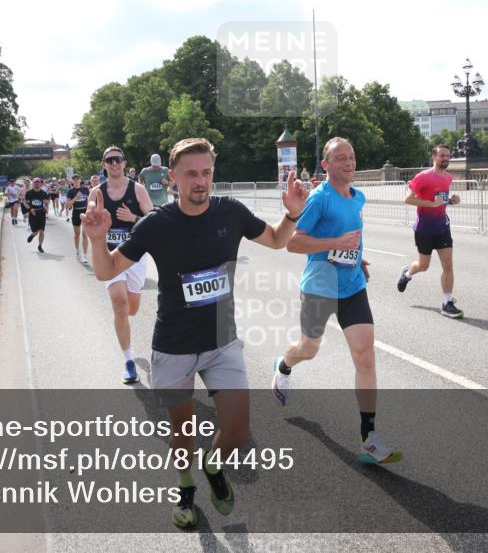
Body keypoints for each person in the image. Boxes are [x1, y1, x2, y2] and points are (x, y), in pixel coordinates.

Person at [83, 137, 307, 529]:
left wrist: (291, 216)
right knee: (182, 433)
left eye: (206, 172)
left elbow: (274, 240)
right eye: (191, 174)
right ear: (173, 178)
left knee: (237, 429)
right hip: (174, 346)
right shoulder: (156, 224)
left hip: (222, 340)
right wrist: (98, 239)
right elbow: (106, 271)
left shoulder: (230, 212)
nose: (200, 181)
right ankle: (185, 488)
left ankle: (213, 464)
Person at [271, 137, 402, 464]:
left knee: (365, 356)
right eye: (340, 158)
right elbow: (294, 244)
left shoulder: (358, 197)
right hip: (319, 287)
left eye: (352, 156)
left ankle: (368, 438)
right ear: (326, 165)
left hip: (353, 286)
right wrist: (336, 243)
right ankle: (284, 365)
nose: (349, 162)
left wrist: (358, 258)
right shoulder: (319, 199)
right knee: (308, 349)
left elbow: (351, 238)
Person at [93, 147, 155, 384]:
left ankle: (126, 324)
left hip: (135, 256)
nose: (114, 163)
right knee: (119, 305)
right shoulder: (95, 194)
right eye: (109, 160)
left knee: (131, 309)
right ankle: (128, 361)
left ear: (123, 162)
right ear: (104, 164)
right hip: (110, 255)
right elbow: (91, 225)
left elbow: (154, 222)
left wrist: (133, 219)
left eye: (117, 160)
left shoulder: (137, 190)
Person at [396, 144, 463, 318]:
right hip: (424, 229)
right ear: (434, 157)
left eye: (448, 156)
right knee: (423, 266)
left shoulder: (448, 178)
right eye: (442, 155)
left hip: (442, 227)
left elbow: (440, 200)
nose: (445, 158)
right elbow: (408, 199)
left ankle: (447, 302)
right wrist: (431, 204)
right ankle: (407, 273)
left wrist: (451, 201)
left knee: (448, 265)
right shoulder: (423, 177)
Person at [64, 174, 91, 263]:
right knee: (77, 234)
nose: (76, 181)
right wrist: (76, 197)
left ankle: (85, 256)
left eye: (77, 179)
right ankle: (77, 250)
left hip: (85, 212)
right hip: (76, 212)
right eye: (74, 179)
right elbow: (67, 205)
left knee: (85, 234)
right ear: (72, 181)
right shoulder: (70, 191)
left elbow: (90, 201)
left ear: (80, 180)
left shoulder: (85, 189)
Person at [25, 177, 49, 252]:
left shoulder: (43, 193)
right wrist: (30, 209)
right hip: (33, 214)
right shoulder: (29, 193)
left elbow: (46, 202)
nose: (37, 184)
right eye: (35, 182)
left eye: (38, 182)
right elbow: (24, 202)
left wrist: (46, 207)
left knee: (41, 231)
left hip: (41, 213)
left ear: (40, 184)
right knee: (35, 232)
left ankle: (40, 246)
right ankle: (32, 235)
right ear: (33, 183)